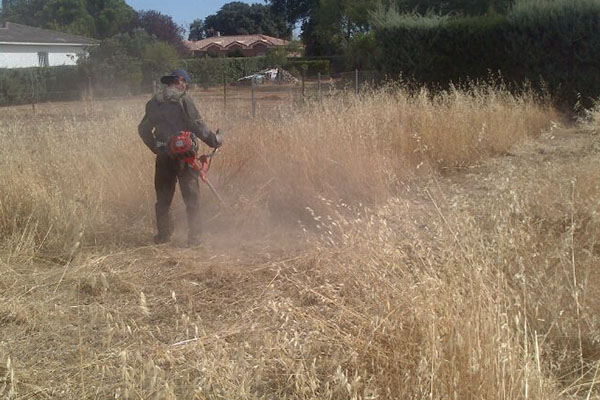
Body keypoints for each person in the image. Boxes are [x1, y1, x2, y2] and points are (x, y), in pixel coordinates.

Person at [138, 69, 222, 246]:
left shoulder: (153, 102)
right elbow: (197, 125)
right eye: (186, 83)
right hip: (186, 157)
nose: (186, 87)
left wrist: (156, 147)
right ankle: (195, 238)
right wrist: (214, 141)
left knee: (163, 199)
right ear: (180, 81)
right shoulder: (183, 99)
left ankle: (163, 236)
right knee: (192, 198)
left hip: (163, 156)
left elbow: (143, 129)